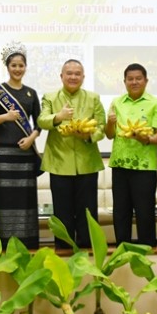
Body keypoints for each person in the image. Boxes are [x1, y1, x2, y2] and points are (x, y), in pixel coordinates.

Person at [38, 59, 106, 249]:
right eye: (69, 73)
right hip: (59, 163)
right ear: (62, 76)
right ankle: (64, 251)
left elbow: (101, 126)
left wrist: (89, 135)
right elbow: (42, 120)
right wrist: (58, 117)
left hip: (87, 163)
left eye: (77, 74)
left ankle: (88, 251)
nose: (73, 77)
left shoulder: (93, 98)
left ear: (83, 77)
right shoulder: (50, 98)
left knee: (87, 213)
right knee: (62, 213)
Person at [0, 41, 41, 249]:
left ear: (25, 67)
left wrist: (31, 138)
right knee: (5, 198)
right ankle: (5, 242)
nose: (17, 69)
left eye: (21, 65)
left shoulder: (31, 93)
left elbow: (40, 122)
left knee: (25, 198)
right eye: (13, 65)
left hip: (24, 153)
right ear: (7, 67)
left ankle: (28, 241)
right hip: (2, 153)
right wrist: (5, 117)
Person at [105, 63, 157, 246]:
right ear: (124, 82)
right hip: (120, 164)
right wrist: (109, 123)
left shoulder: (156, 103)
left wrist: (146, 139)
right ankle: (121, 248)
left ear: (146, 80)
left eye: (138, 78)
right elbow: (109, 134)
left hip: (144, 166)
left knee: (144, 211)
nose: (134, 82)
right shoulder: (117, 102)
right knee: (121, 212)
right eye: (130, 79)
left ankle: (147, 248)